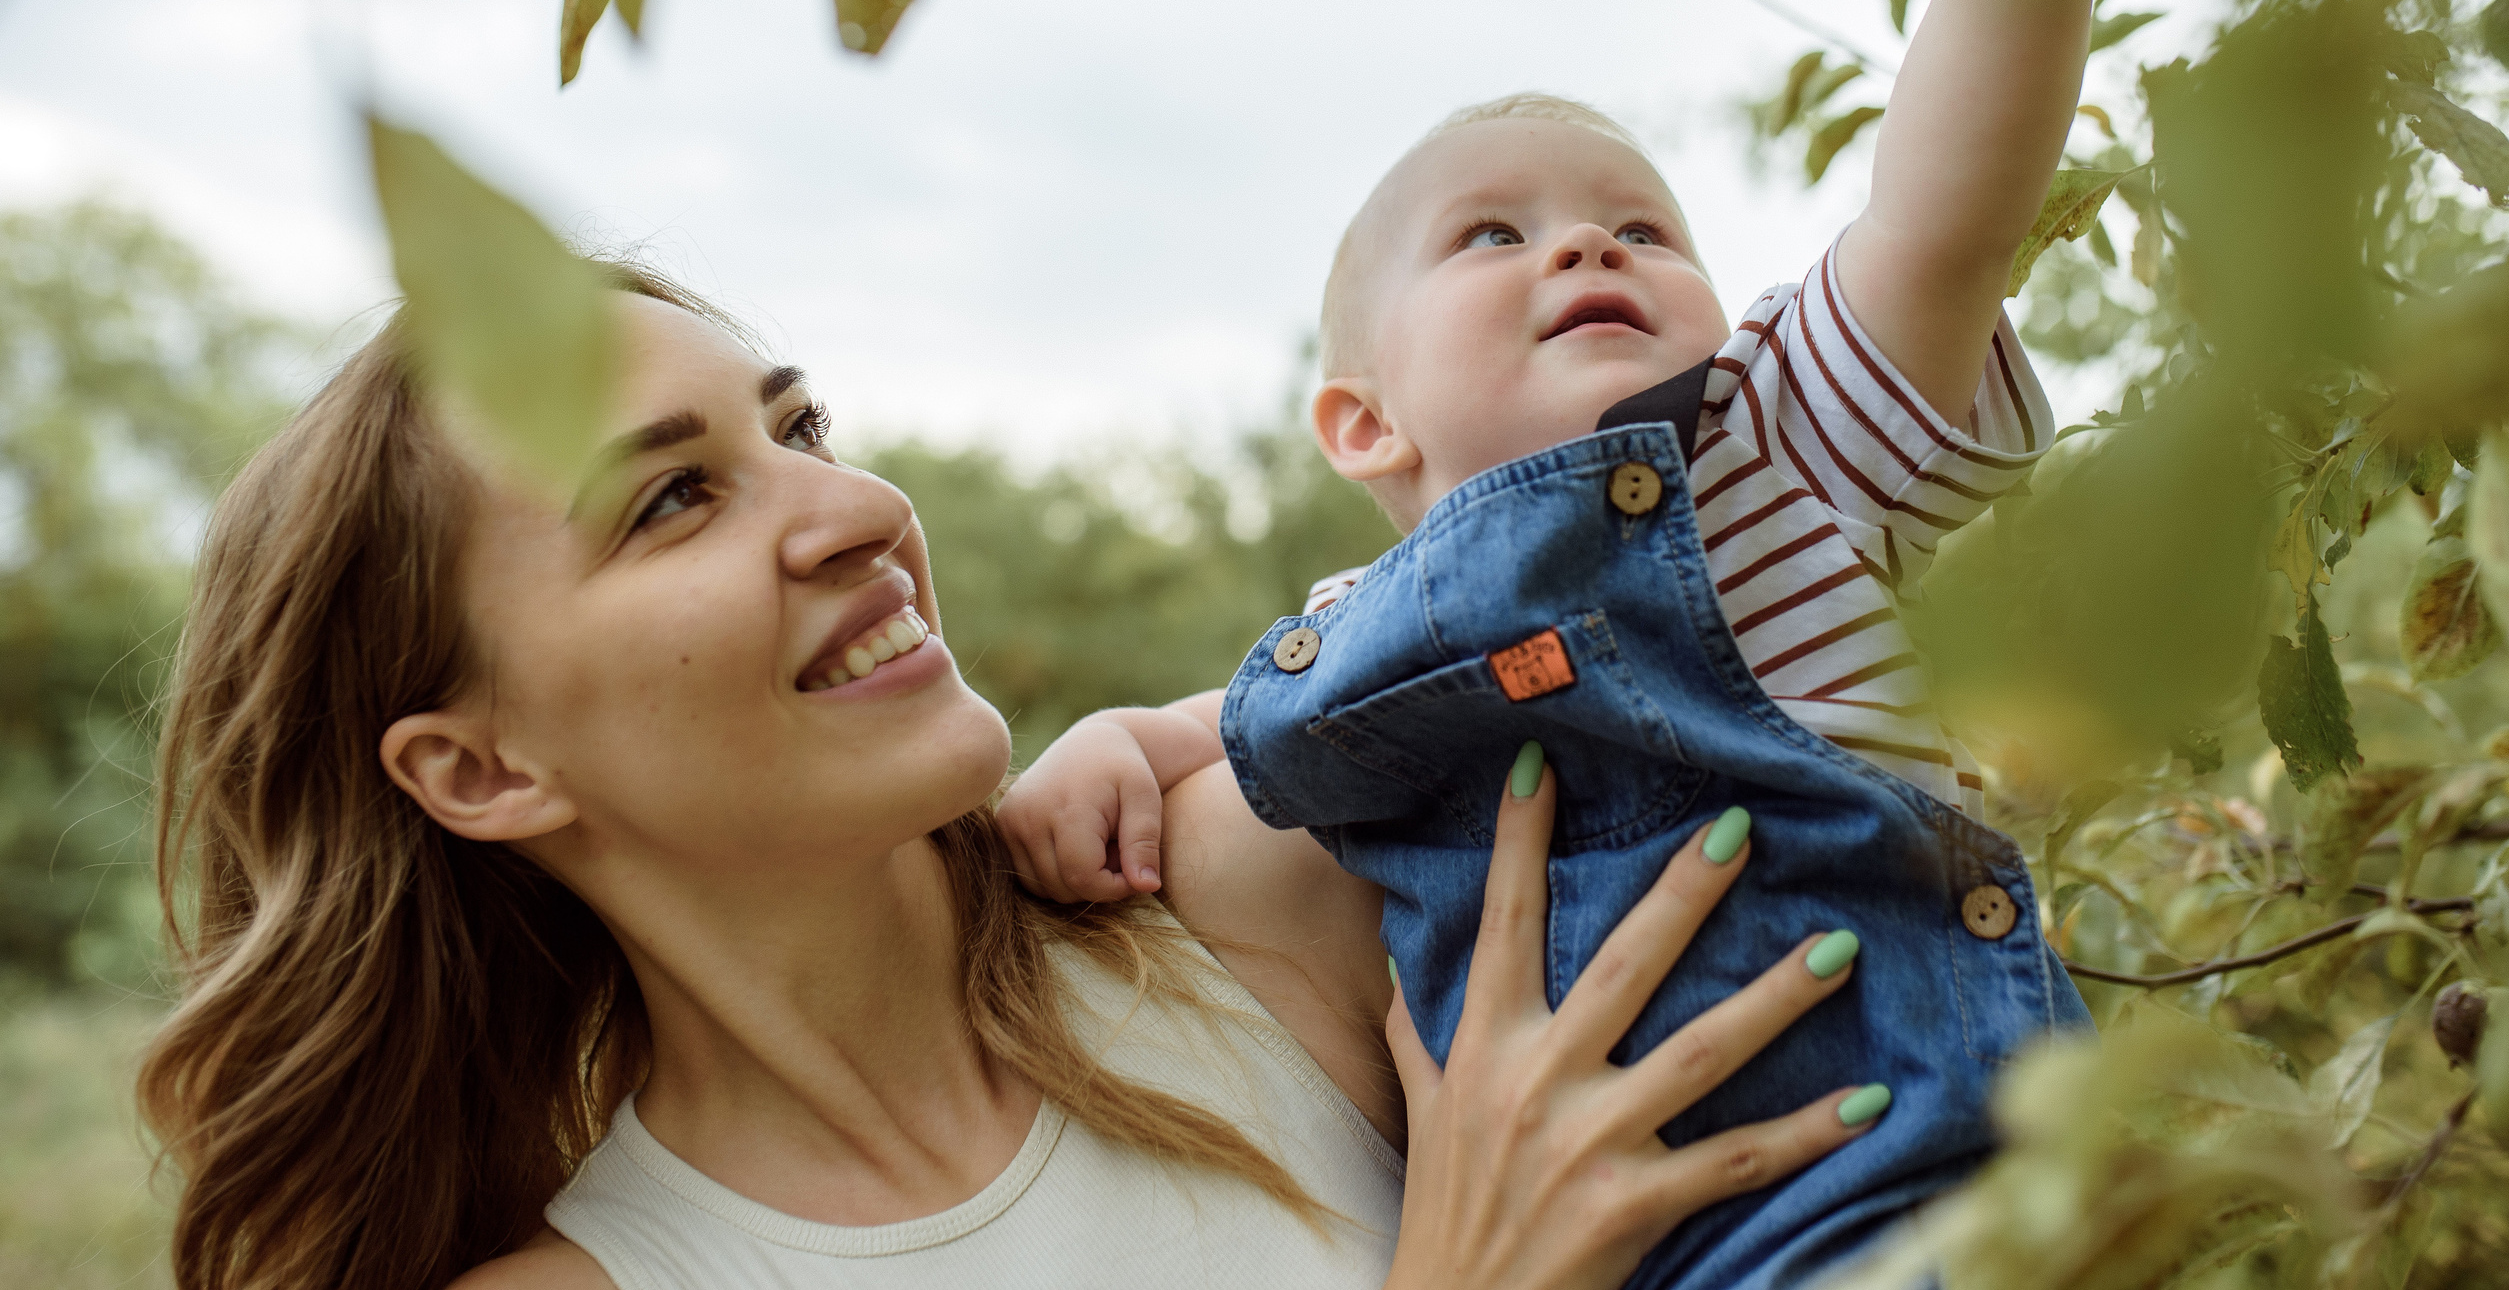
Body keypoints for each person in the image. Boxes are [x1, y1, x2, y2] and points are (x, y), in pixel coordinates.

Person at [996, 0, 2204, 1288]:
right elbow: (1242, 721)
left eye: (1641, 225)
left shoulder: (1777, 451)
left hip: (1945, 1183)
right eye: (1492, 236)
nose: (1585, 246)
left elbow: (1945, 210)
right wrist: (1120, 737)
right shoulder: (1366, 628)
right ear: (1364, 420)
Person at [134, 260, 1883, 1290]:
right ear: (479, 766)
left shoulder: (1261, 895)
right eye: (674, 496)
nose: (861, 509)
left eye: (799, 430)